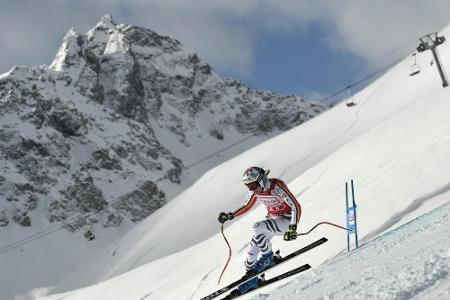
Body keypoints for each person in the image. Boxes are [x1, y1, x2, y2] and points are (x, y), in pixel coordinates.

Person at [218, 166, 301, 294]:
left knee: (257, 227)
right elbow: (246, 205)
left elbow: (295, 205)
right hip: (273, 221)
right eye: (248, 186)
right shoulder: (255, 191)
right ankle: (252, 281)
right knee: (251, 253)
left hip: (287, 221)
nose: (251, 189)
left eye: (252, 185)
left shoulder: (276, 187)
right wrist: (230, 215)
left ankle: (269, 258)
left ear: (261, 180)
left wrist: (293, 228)